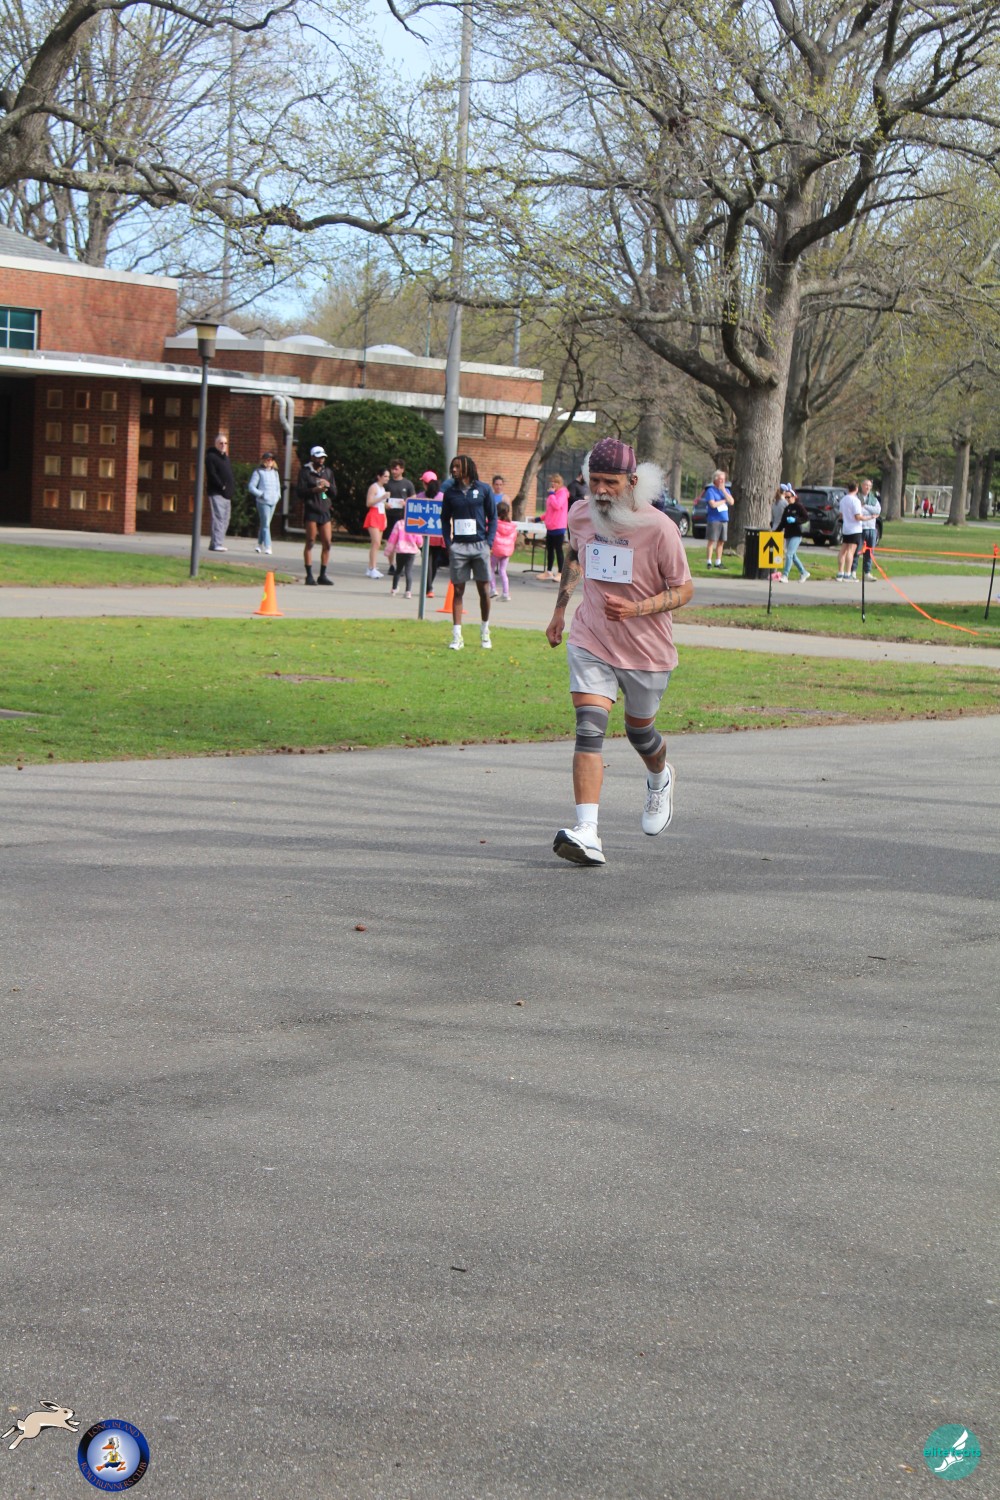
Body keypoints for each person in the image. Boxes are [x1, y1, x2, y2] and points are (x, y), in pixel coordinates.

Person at [545, 436, 694, 866]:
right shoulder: (580, 513)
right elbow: (575, 556)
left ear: (632, 482)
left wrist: (636, 609)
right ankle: (587, 831)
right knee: (589, 728)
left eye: (610, 482)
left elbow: (684, 589)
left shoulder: (659, 528)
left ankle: (659, 777)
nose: (601, 490)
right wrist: (560, 611)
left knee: (640, 733)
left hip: (647, 649)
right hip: (591, 638)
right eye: (594, 480)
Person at [439, 455, 496, 650]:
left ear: (467, 468)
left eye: (457, 466)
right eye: (452, 467)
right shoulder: (450, 492)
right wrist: (449, 544)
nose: (454, 470)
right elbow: (444, 519)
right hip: (459, 547)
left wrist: (489, 543)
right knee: (458, 591)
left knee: (484, 591)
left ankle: (485, 631)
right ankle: (457, 637)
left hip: (480, 546)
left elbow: (493, 518)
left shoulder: (484, 489)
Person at [296, 445, 336, 585]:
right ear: (312, 457)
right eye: (318, 457)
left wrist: (328, 486)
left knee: (327, 543)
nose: (321, 460)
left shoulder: (328, 472)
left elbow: (334, 493)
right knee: (311, 541)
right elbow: (300, 492)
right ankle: (309, 575)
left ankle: (322, 575)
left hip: (324, 510)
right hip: (312, 510)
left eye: (323, 457)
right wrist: (314, 490)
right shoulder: (305, 472)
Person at [205, 433, 234, 552]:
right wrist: (222, 486)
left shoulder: (225, 458)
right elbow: (212, 474)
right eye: (221, 443)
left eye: (225, 443)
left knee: (226, 519)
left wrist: (229, 489)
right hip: (217, 492)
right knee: (219, 518)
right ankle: (217, 543)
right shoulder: (211, 457)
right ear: (216, 444)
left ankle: (215, 543)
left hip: (227, 494)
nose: (223, 445)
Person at [248, 450, 281, 555]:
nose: (269, 461)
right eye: (267, 459)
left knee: (265, 524)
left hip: (273, 501)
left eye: (271, 460)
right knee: (266, 524)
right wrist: (261, 494)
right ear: (263, 461)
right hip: (263, 502)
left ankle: (259, 545)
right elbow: (251, 487)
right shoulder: (258, 472)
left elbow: (278, 486)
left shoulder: (275, 473)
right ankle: (268, 546)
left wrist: (278, 496)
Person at [539, 472, 570, 580]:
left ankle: (561, 572)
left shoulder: (562, 493)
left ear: (560, 483)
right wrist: (540, 518)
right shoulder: (553, 494)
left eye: (555, 482)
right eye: (551, 482)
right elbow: (550, 510)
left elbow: (557, 505)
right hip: (550, 526)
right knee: (550, 550)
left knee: (558, 550)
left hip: (559, 526)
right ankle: (549, 571)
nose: (553, 484)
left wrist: (552, 494)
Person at [384, 512, 422, 599]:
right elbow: (419, 540)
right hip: (411, 552)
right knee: (408, 571)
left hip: (400, 550)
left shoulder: (399, 524)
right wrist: (419, 545)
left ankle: (394, 589)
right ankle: (408, 591)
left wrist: (388, 551)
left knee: (398, 570)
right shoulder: (416, 523)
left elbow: (393, 538)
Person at [701, 469, 732, 568]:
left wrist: (724, 491)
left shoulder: (726, 490)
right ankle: (709, 561)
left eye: (724, 479)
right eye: (721, 479)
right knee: (712, 540)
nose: (722, 481)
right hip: (714, 519)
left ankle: (718, 561)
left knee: (721, 541)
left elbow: (731, 502)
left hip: (724, 519)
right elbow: (713, 504)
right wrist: (723, 501)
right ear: (715, 480)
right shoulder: (711, 491)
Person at [778, 487, 811, 581]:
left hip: (797, 534)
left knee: (789, 554)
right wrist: (775, 532)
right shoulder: (787, 508)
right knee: (793, 556)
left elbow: (806, 517)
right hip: (789, 534)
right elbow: (782, 523)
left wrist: (795, 520)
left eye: (789, 497)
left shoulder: (798, 506)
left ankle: (785, 575)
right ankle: (803, 572)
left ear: (794, 497)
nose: (787, 499)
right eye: (786, 497)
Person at [362, 468, 390, 578]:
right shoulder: (374, 487)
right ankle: (372, 568)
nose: (387, 478)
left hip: (381, 515)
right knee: (376, 542)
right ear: (379, 476)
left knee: (377, 544)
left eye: (388, 476)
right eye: (385, 476)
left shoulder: (383, 489)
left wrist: (385, 516)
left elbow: (382, 504)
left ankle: (371, 567)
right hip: (373, 514)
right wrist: (382, 498)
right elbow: (369, 503)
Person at [851, 479, 881, 579]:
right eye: (866, 485)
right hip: (860, 528)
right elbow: (858, 511)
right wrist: (868, 512)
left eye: (869, 485)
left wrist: (865, 506)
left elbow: (877, 511)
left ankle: (867, 572)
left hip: (871, 528)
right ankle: (853, 571)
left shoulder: (874, 499)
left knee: (869, 552)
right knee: (857, 551)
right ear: (862, 486)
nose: (867, 487)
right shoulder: (857, 498)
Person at [837, 482, 865, 581]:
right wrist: (869, 517)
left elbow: (841, 515)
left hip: (846, 528)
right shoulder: (855, 500)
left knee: (843, 550)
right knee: (850, 551)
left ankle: (840, 573)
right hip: (855, 528)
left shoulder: (843, 500)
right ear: (856, 488)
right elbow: (857, 516)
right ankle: (848, 574)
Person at [491, 500, 519, 600]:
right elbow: (514, 538)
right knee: (502, 571)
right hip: (507, 551)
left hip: (496, 550)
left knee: (491, 568)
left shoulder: (494, 524)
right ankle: (506, 593)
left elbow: (490, 534)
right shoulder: (511, 526)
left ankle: (493, 589)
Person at [385, 458, 416, 538]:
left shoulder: (408, 484)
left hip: (401, 515)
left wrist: (406, 503)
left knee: (400, 537)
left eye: (396, 469)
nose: (393, 471)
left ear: (402, 470)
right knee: (389, 537)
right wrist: (385, 504)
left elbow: (413, 497)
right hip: (388, 514)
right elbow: (381, 497)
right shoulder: (387, 483)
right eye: (392, 469)